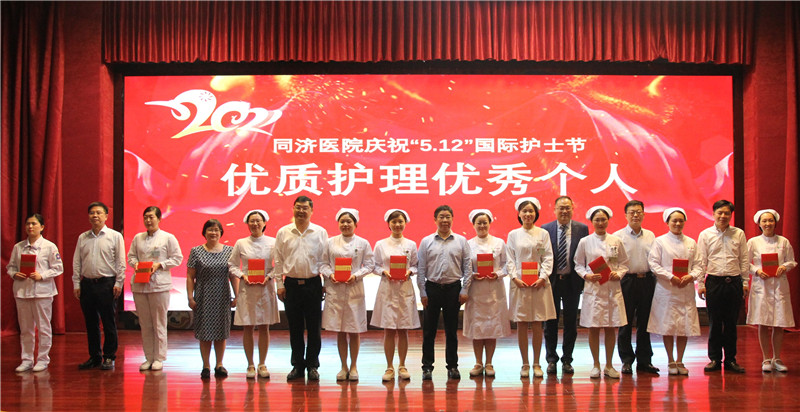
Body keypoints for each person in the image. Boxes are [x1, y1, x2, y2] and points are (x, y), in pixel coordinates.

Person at [275, 196, 329, 381]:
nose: (301, 211)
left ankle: (313, 365)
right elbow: (278, 260)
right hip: (291, 285)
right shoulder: (283, 232)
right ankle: (297, 365)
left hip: (313, 284)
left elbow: (325, 260)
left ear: (311, 211)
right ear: (293, 209)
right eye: (298, 207)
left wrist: (325, 284)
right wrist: (279, 284)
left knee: (314, 328)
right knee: (295, 328)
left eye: (305, 208)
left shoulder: (320, 232)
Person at [417, 205, 472, 381]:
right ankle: (427, 367)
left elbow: (467, 267)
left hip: (453, 289)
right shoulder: (426, 241)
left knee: (451, 331)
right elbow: (421, 268)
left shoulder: (461, 241)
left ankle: (453, 366)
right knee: (429, 331)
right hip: (432, 289)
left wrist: (465, 289)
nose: (445, 220)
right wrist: (422, 292)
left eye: (448, 217)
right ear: (435, 220)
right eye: (441, 217)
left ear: (452, 219)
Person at [320, 208, 375, 381]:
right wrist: (330, 275)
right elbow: (322, 264)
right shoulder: (330, 242)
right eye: (342, 221)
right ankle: (343, 366)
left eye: (349, 221)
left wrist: (356, 275)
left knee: (354, 329)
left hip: (354, 289)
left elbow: (370, 265)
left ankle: (354, 366)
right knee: (341, 330)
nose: (345, 224)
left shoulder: (363, 243)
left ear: (355, 224)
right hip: (336, 289)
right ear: (338, 224)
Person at [575, 205, 629, 379]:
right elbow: (578, 264)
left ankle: (609, 365)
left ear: (608, 221)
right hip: (594, 289)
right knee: (594, 328)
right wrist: (587, 276)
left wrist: (618, 273)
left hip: (612, 289)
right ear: (591, 222)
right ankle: (596, 365)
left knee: (610, 327)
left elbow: (624, 263)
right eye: (597, 220)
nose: (600, 223)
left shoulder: (616, 240)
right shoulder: (585, 242)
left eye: (603, 219)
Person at [647, 208, 703, 375]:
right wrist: (670, 276)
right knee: (668, 325)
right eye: (674, 221)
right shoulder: (660, 242)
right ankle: (671, 360)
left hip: (685, 288)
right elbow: (653, 264)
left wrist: (691, 276)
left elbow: (699, 265)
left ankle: (680, 360)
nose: (678, 223)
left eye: (681, 220)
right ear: (667, 222)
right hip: (667, 289)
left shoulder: (691, 242)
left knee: (684, 325)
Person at [127, 206, 183, 371]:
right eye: (146, 217)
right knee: (145, 323)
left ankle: (159, 358)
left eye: (151, 217)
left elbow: (177, 258)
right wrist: (135, 264)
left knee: (159, 322)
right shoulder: (138, 238)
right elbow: (131, 256)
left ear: (159, 219)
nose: (148, 220)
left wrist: (160, 265)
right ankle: (148, 357)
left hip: (159, 285)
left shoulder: (168, 237)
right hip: (140, 284)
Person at [6, 213, 64, 372]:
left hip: (42, 292)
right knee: (25, 329)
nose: (30, 227)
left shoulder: (49, 246)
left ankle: (43, 359)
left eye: (34, 224)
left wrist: (42, 275)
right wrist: (14, 274)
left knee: (44, 327)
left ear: (42, 227)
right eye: (28, 224)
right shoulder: (18, 247)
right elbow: (10, 267)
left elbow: (58, 268)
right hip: (22, 291)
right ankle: (26, 360)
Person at [506, 198, 557, 378]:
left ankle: (536, 363)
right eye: (524, 211)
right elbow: (510, 259)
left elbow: (548, 257)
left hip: (538, 284)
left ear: (536, 214)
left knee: (537, 323)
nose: (528, 214)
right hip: (520, 284)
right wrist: (514, 278)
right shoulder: (513, 235)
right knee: (521, 324)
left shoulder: (543, 234)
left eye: (531, 211)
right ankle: (525, 364)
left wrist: (543, 277)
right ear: (519, 214)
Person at [73, 202, 126, 371]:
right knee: (91, 323)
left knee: (108, 322)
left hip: (107, 284)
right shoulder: (83, 237)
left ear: (106, 216)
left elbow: (121, 262)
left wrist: (119, 282)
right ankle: (94, 357)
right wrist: (76, 283)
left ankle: (109, 356)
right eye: (92, 213)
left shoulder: (115, 236)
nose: (95, 216)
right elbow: (77, 262)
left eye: (98, 212)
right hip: (87, 284)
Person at [697, 199, 748, 373]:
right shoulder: (705, 235)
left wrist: (745, 282)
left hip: (733, 282)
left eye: (727, 213)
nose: (723, 216)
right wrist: (700, 283)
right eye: (720, 212)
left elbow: (744, 259)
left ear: (731, 215)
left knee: (731, 323)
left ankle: (731, 360)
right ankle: (714, 359)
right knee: (715, 322)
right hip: (714, 282)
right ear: (713, 214)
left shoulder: (738, 234)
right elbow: (701, 261)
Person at [228, 210, 280, 379]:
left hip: (265, 287)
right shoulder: (241, 243)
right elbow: (232, 265)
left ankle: (262, 364)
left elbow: (280, 264)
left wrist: (269, 277)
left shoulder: (273, 242)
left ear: (265, 223)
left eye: (258, 221)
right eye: (252, 221)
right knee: (248, 326)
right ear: (247, 223)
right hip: (247, 288)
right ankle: (250, 364)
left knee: (264, 326)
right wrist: (243, 276)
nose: (255, 224)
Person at [542, 196, 589, 375]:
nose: (564, 211)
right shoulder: (546, 229)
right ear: (554, 210)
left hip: (572, 282)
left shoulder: (581, 229)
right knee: (550, 322)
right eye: (561, 208)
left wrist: (584, 280)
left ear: (572, 209)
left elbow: (584, 256)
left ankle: (567, 359)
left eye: (567, 208)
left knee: (571, 323)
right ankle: (551, 359)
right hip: (552, 282)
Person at [371, 209, 420, 382]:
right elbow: (374, 266)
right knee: (389, 329)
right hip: (388, 288)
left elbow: (416, 265)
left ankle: (402, 365)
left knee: (403, 329)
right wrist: (383, 272)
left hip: (404, 288)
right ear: (388, 224)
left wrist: (409, 272)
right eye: (394, 222)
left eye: (400, 221)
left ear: (405, 223)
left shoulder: (411, 244)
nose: (397, 225)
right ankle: (389, 367)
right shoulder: (380, 244)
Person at [746, 209, 797, 373]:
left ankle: (777, 358)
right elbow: (745, 263)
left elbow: (792, 261)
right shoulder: (753, 242)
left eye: (770, 220)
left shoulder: (783, 241)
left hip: (779, 285)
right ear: (759, 224)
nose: (768, 223)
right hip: (761, 286)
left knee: (779, 323)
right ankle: (766, 358)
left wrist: (784, 266)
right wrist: (757, 271)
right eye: (764, 221)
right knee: (763, 322)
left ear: (775, 222)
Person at [612, 200, 659, 375]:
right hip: (627, 281)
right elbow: (614, 261)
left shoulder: (651, 236)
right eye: (632, 212)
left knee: (645, 322)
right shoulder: (617, 237)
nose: (636, 215)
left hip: (647, 280)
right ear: (626, 215)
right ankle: (626, 360)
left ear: (644, 214)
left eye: (639, 212)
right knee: (625, 322)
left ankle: (645, 360)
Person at [464, 209, 511, 378]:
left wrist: (497, 274)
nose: (482, 226)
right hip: (475, 290)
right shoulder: (467, 244)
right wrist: (472, 274)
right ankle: (478, 363)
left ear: (489, 224)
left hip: (494, 290)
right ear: (473, 225)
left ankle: (489, 362)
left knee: (492, 327)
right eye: (479, 223)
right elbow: (464, 267)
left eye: (485, 222)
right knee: (477, 327)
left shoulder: (499, 242)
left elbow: (507, 264)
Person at [186, 219, 236, 379]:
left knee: (222, 331)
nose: (213, 232)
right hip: (203, 296)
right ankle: (206, 366)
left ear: (221, 232)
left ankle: (219, 364)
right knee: (204, 333)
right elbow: (190, 276)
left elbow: (233, 275)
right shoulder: (196, 251)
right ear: (204, 232)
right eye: (210, 229)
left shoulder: (230, 250)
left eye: (216, 230)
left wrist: (237, 295)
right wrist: (190, 297)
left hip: (222, 296)